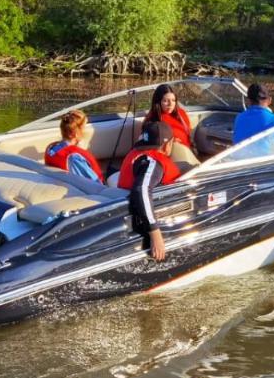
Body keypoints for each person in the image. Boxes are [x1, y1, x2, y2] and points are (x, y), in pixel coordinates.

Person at [117, 120, 181, 261]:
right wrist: (155, 233)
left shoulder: (136, 154)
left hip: (121, 207)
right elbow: (141, 189)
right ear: (167, 145)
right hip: (138, 220)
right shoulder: (153, 162)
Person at [143, 83, 199, 167]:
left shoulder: (181, 114)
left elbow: (188, 134)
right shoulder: (152, 121)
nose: (170, 104)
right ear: (158, 102)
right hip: (171, 160)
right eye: (165, 101)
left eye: (173, 100)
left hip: (189, 153)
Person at [43, 109, 104, 183]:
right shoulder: (74, 157)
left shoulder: (51, 148)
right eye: (84, 127)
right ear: (75, 134)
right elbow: (94, 184)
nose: (86, 131)